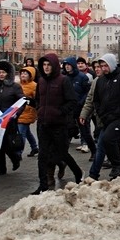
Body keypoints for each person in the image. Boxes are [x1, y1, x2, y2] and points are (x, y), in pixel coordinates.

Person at [81, 53, 120, 180]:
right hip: (106, 118)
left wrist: (117, 112)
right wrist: (101, 113)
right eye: (101, 66)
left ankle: (117, 164)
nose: (103, 68)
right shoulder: (101, 80)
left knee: (108, 139)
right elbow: (96, 100)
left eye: (106, 66)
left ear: (111, 65)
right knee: (113, 142)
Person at [32, 53, 81, 194]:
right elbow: (38, 99)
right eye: (44, 65)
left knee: (62, 154)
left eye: (49, 65)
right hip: (43, 124)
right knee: (42, 155)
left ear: (54, 66)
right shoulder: (41, 81)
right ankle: (43, 184)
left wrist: (60, 112)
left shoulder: (63, 80)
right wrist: (39, 110)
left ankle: (77, 173)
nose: (46, 67)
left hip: (59, 124)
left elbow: (72, 101)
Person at [0, 60, 24, 175]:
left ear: (8, 73)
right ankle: (0, 168)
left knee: (7, 143)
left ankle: (15, 158)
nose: (1, 75)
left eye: (3, 72)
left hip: (10, 120)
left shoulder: (15, 87)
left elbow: (22, 102)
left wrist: (16, 114)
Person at [63, 57, 94, 155]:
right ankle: (63, 151)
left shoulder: (82, 77)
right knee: (67, 128)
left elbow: (87, 92)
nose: (67, 67)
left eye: (69, 65)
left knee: (84, 129)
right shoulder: (64, 77)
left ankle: (89, 146)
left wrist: (81, 102)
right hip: (69, 108)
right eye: (65, 65)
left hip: (80, 107)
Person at [18, 66, 39, 157]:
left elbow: (37, 100)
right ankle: (34, 148)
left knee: (21, 133)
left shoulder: (34, 86)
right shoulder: (18, 84)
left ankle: (18, 153)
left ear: (30, 75)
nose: (23, 75)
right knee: (26, 132)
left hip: (28, 112)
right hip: (19, 112)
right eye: (22, 73)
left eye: (25, 73)